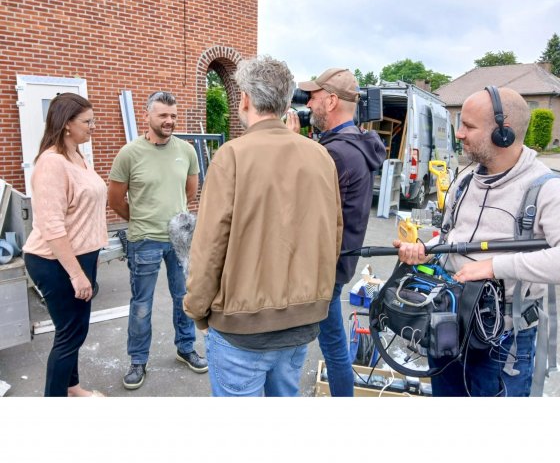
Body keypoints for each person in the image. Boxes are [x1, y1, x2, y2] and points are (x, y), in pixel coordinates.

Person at [183, 55, 343, 397]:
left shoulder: (232, 155)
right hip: (301, 323)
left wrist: (197, 309)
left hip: (242, 329)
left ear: (244, 99)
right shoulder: (320, 157)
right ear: (285, 101)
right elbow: (333, 238)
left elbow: (209, 246)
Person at [393, 86, 560, 396]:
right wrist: (425, 252)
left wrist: (494, 266)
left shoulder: (547, 189)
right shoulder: (465, 180)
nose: (459, 133)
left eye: (468, 126)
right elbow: (451, 238)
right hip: (449, 324)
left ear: (503, 133)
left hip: (503, 340)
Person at [286, 68, 386, 396]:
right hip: (337, 264)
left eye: (313, 97)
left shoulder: (336, 153)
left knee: (300, 347)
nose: (308, 104)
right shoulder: (352, 144)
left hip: (322, 269)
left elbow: (296, 202)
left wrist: (291, 142)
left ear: (330, 101)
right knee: (333, 343)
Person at [108, 90, 207, 390]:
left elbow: (190, 192)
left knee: (183, 298)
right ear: (147, 115)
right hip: (145, 240)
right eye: (163, 115)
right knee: (142, 304)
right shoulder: (130, 153)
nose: (169, 121)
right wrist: (141, 219)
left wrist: (171, 215)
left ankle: (185, 348)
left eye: (173, 116)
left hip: (180, 238)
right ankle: (138, 360)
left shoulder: (186, 151)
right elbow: (115, 199)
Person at [23, 93, 107, 397]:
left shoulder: (77, 155)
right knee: (71, 334)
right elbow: (51, 226)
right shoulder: (51, 163)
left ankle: (73, 389)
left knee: (71, 331)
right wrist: (76, 274)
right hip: (55, 261)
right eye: (87, 121)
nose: (93, 126)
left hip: (80, 256)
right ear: (67, 124)